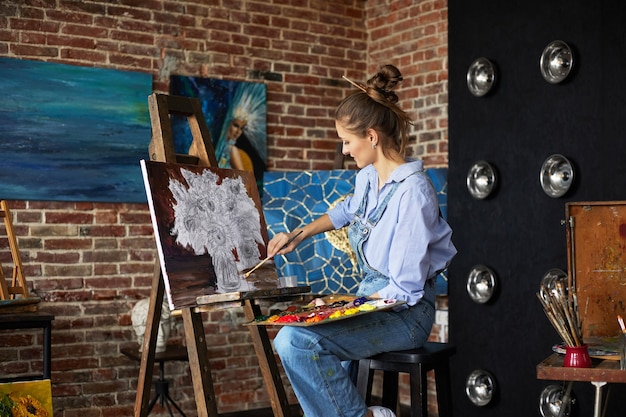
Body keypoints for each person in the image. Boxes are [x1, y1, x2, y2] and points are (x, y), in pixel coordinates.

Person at [266, 64, 457, 417]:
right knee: (295, 334)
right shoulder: (368, 179)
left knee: (295, 341)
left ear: (371, 136)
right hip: (373, 303)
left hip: (406, 314)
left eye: (347, 141)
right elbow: (345, 212)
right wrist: (298, 235)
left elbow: (405, 289)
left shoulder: (414, 194)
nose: (344, 151)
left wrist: (342, 306)